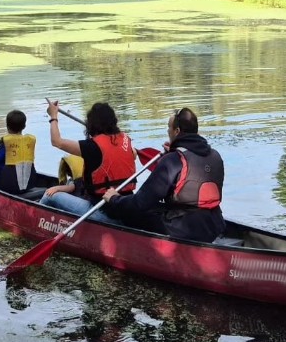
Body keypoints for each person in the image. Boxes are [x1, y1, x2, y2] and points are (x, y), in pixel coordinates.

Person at [102, 108, 225, 242]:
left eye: (168, 127)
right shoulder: (215, 156)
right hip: (215, 225)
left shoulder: (173, 160)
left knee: (127, 210)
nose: (167, 131)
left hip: (183, 229)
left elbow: (141, 202)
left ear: (177, 131)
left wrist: (115, 199)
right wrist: (172, 153)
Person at [40, 101, 137, 223]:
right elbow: (132, 154)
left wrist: (53, 116)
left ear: (91, 124)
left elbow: (57, 142)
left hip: (101, 212)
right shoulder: (126, 141)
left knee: (50, 196)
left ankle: (35, 221)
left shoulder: (91, 147)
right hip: (127, 209)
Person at [0, 110, 37, 195]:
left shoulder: (6, 142)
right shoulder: (29, 141)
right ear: (24, 126)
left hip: (7, 186)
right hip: (28, 185)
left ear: (7, 127)